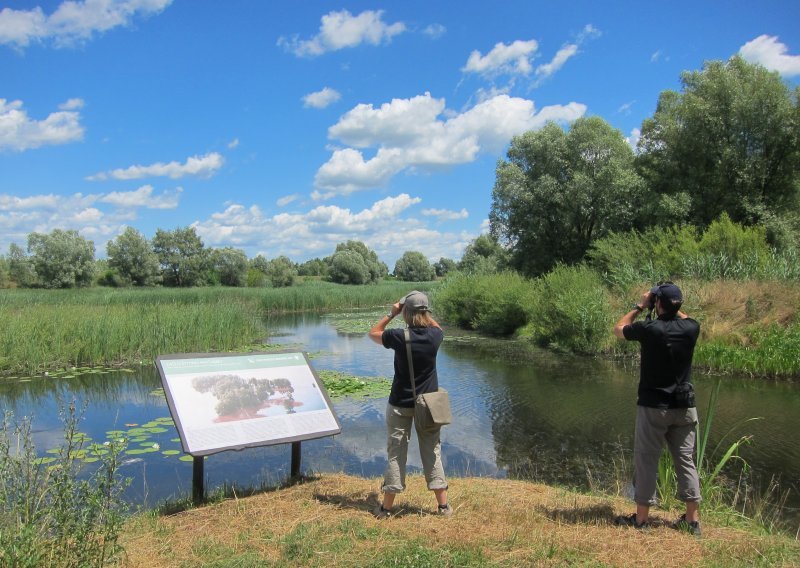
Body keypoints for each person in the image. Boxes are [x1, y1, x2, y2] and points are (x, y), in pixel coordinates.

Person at [613, 282, 702, 535]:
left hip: (654, 407)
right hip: (685, 407)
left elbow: (618, 329)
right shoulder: (691, 328)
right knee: (686, 461)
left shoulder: (650, 329)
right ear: (679, 305)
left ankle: (641, 521)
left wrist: (641, 305)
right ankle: (692, 521)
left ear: (658, 304)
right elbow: (684, 316)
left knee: (646, 459)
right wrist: (669, 304)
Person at [368, 290, 451, 518]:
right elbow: (438, 328)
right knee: (432, 450)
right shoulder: (435, 336)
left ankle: (386, 509)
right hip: (428, 405)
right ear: (425, 312)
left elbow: (373, 333)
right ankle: (443, 507)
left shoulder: (398, 336)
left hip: (399, 404)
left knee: (396, 453)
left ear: (406, 312)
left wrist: (392, 313)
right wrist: (424, 313)